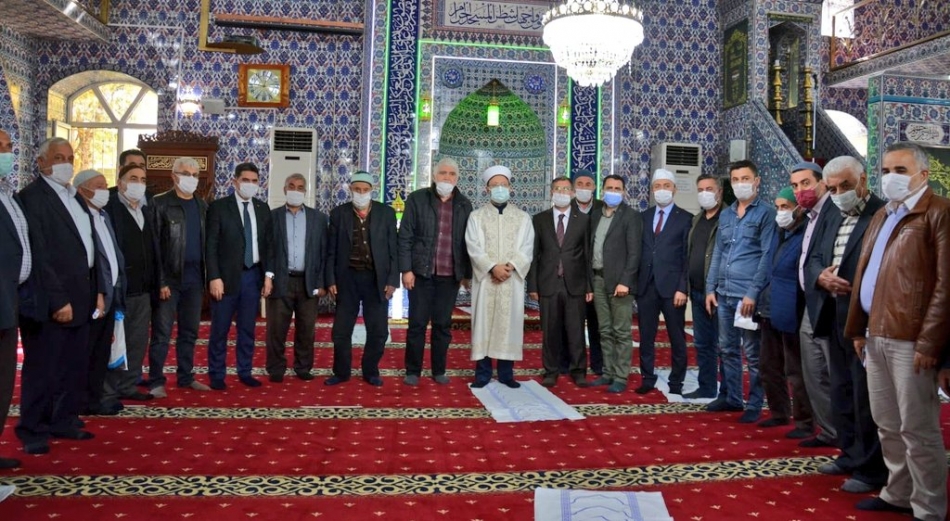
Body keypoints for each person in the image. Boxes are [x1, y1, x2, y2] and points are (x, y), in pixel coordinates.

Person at [847, 144, 947, 518]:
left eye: (900, 170)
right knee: (887, 423)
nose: (891, 178)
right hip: (876, 334)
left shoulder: (939, 212)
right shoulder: (884, 214)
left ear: (924, 174)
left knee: (917, 429)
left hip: (912, 340)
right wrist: (858, 329)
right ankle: (898, 492)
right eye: (886, 170)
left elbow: (945, 285)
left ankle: (928, 506)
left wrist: (930, 342)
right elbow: (865, 273)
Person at [17, 137, 101, 454]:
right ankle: (33, 429)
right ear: (41, 162)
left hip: (82, 294)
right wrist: (58, 300)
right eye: (58, 157)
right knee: (44, 368)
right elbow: (39, 255)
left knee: (72, 365)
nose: (66, 163)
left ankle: (63, 420)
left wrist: (96, 290)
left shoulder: (73, 195)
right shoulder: (32, 197)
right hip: (53, 300)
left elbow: (87, 244)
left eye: (70, 157)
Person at [705, 160, 776, 423]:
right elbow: (718, 253)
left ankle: (755, 403)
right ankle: (732, 398)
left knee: (754, 354)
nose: (740, 184)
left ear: (757, 181)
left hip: (747, 296)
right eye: (735, 179)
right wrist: (710, 287)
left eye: (745, 179)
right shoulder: (726, 215)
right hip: (724, 293)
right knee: (727, 349)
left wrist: (753, 293)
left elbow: (767, 256)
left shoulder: (766, 214)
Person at [399, 158, 473, 386]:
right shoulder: (417, 199)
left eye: (451, 174)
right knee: (417, 324)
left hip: (449, 276)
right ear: (434, 175)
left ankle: (438, 370)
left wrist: (466, 274)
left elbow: (469, 242)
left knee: (442, 325)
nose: (447, 177)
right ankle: (413, 370)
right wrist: (406, 269)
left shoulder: (464, 204)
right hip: (421, 273)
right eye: (442, 173)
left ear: (457, 179)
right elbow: (405, 236)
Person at [325, 171, 398, 387]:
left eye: (365, 190)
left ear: (371, 190)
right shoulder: (338, 214)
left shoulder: (386, 213)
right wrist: (330, 280)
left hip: (376, 280)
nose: (361, 193)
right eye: (357, 189)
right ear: (350, 189)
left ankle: (371, 370)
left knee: (378, 330)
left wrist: (392, 280)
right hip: (346, 279)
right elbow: (331, 251)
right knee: (341, 330)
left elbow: (393, 250)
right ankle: (341, 372)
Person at [465, 165, 534, 388]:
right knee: (483, 325)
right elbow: (473, 247)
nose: (499, 188)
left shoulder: (522, 218)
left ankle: (506, 374)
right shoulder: (476, 217)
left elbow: (527, 247)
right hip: (486, 280)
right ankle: (482, 374)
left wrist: (510, 267)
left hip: (511, 281)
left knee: (509, 324)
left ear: (510, 187)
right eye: (495, 185)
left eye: (503, 184)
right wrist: (492, 267)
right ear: (487, 189)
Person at [205, 162, 272, 390]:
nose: (250, 184)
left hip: (252, 277)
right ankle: (216, 373)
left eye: (254, 181)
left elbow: (268, 246)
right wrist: (214, 276)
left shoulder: (262, 209)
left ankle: (245, 371)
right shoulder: (219, 207)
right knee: (220, 329)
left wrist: (268, 276)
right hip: (224, 279)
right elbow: (211, 245)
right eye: (245, 180)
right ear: (235, 181)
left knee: (247, 329)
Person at [148, 157, 210, 398]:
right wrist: (160, 281)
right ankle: (156, 380)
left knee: (189, 332)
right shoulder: (159, 203)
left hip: (194, 280)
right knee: (162, 334)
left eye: (195, 175)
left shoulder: (202, 206)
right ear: (174, 176)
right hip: (169, 281)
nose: (191, 179)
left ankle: (186, 377)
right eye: (185, 173)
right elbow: (153, 246)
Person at [755, 187, 813, 436]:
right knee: (768, 366)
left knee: (795, 370)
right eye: (778, 207)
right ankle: (779, 413)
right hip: (769, 307)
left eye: (785, 207)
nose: (780, 212)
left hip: (791, 309)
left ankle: (805, 422)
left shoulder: (806, 234)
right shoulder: (778, 233)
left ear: (798, 209)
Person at [263, 173, 328, 382]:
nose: (295, 190)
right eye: (291, 186)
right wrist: (268, 276)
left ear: (305, 191)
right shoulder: (272, 216)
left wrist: (322, 283)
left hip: (308, 282)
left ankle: (303, 367)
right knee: (276, 329)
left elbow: (324, 253)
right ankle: (276, 368)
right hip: (280, 279)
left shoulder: (318, 219)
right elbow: (268, 249)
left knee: (306, 329)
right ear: (284, 189)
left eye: (300, 187)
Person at [528, 176, 592, 388]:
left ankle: (578, 370)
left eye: (566, 189)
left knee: (576, 331)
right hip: (548, 283)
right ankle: (551, 371)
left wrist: (589, 286)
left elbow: (587, 255)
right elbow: (534, 254)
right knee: (550, 331)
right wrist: (533, 285)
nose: (562, 193)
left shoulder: (583, 220)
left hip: (575, 284)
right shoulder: (540, 219)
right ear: (551, 192)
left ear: (572, 193)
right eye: (557, 189)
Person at [793, 161, 838, 449]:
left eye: (806, 183)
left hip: (828, 304)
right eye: (795, 185)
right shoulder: (806, 215)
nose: (800, 190)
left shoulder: (833, 212)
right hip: (809, 301)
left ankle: (845, 433)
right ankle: (830, 431)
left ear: (822, 183)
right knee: (813, 372)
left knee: (832, 372)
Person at [635, 168, 693, 395]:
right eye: (658, 186)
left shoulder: (686, 218)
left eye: (666, 186)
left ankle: (676, 382)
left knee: (676, 337)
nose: (662, 190)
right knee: (646, 336)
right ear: (652, 190)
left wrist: (682, 288)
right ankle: (647, 378)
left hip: (672, 289)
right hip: (646, 286)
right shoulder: (644, 217)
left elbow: (687, 257)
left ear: (674, 189)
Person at [74, 169, 126, 416]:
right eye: (98, 186)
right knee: (87, 351)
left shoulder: (103, 216)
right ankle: (81, 401)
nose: (105, 191)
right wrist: (100, 293)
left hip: (111, 293)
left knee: (102, 351)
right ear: (82, 189)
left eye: (105, 186)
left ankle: (95, 399)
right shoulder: (80, 217)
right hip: (94, 297)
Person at [103, 164, 155, 403]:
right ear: (120, 182)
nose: (138, 183)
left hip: (143, 289)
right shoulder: (110, 209)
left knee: (137, 341)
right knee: (115, 341)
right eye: (133, 178)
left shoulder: (146, 209)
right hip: (119, 289)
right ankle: (109, 390)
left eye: (143, 179)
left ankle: (129, 385)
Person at [587, 174, 641, 393]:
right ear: (602, 191)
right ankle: (607, 372)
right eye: (609, 188)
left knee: (621, 332)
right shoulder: (595, 215)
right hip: (598, 279)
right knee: (605, 330)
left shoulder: (631, 216)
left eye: (618, 188)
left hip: (620, 284)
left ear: (624, 192)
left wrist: (625, 281)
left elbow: (635, 253)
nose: (613, 191)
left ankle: (620, 376)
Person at [0, 128, 31, 468]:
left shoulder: (9, 194)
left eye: (9, 146)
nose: (7, 153)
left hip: (11, 300)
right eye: (1, 147)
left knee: (4, 381)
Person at [684, 174, 725, 399]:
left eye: (709, 189)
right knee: (702, 343)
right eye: (700, 190)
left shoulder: (728, 218)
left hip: (719, 293)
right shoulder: (697, 219)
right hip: (698, 291)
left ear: (719, 191)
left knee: (724, 345)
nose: (705, 194)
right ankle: (707, 386)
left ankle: (728, 391)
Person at [569, 168, 603, 375]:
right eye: (579, 184)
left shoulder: (603, 208)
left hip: (597, 276)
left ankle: (599, 364)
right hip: (572, 276)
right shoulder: (565, 207)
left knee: (597, 323)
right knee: (572, 325)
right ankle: (572, 364)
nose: (584, 188)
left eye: (588, 184)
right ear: (573, 188)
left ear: (594, 187)